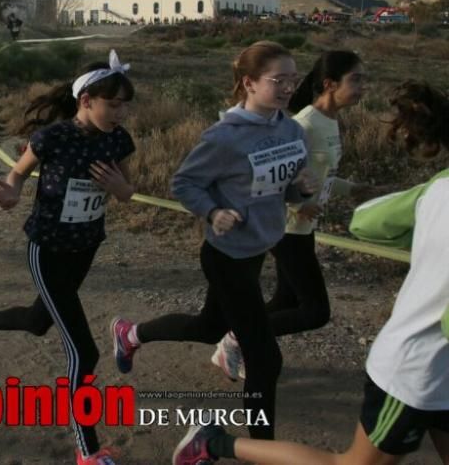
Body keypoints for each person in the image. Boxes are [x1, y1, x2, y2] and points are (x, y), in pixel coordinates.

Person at [173, 81, 449, 465]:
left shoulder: (437, 188)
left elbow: (366, 221)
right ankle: (215, 441)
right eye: (358, 80)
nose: (364, 87)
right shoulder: (295, 125)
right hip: (419, 368)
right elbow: (195, 181)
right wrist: (293, 199)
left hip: (288, 237)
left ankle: (231, 344)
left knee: (294, 313)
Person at [111, 40, 316, 440]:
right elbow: (184, 183)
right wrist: (212, 212)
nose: (289, 87)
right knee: (265, 358)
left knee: (209, 327)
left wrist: (301, 190)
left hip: (259, 248)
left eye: (294, 79)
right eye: (279, 79)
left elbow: (283, 191)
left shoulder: (292, 130)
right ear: (249, 83)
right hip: (225, 256)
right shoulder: (225, 137)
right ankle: (261, 448)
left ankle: (131, 334)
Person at [0, 51, 136, 465]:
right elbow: (18, 173)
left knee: (39, 322)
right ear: (86, 100)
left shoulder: (118, 139)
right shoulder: (52, 138)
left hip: (86, 246)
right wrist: (12, 191)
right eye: (113, 104)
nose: (121, 112)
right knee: (84, 352)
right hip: (47, 249)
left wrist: (117, 186)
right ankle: (88, 450)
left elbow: (128, 192)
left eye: (126, 104)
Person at [211, 50, 378, 380]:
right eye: (355, 79)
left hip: (304, 226)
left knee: (286, 300)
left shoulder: (328, 122)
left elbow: (319, 174)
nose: (362, 87)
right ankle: (237, 338)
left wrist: (354, 188)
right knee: (316, 311)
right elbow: (268, 174)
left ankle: (239, 341)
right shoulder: (303, 124)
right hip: (287, 228)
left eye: (364, 80)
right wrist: (296, 205)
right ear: (330, 84)